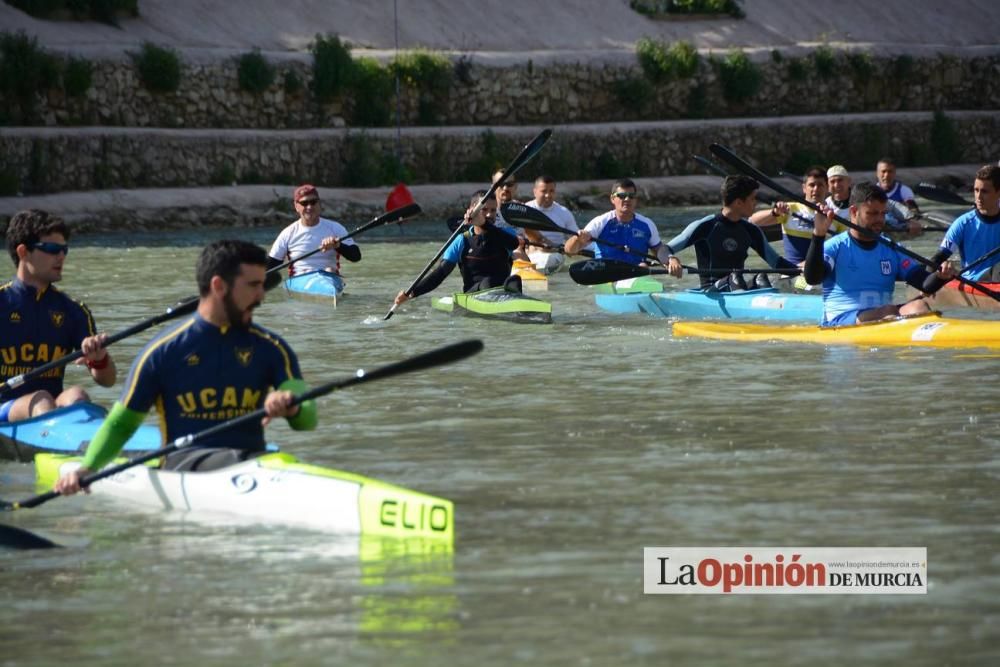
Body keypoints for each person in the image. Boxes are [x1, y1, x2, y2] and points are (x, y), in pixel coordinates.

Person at [54, 240, 317, 493]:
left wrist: (292, 406)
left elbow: (308, 420)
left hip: (253, 464)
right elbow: (121, 425)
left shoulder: (273, 348)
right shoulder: (162, 353)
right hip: (183, 466)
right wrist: (87, 469)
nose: (261, 296)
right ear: (219, 286)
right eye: (253, 286)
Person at [1, 209, 116, 423]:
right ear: (23, 252)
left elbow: (107, 381)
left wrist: (99, 359)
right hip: (5, 405)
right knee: (41, 399)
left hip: (49, 406)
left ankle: (88, 445)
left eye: (64, 250)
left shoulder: (74, 311)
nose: (61, 256)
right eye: (52, 249)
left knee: (78, 396)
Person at [803, 182, 954, 326]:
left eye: (883, 214)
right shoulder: (835, 247)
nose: (880, 220)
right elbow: (812, 278)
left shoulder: (891, 248)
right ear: (854, 212)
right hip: (841, 320)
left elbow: (924, 284)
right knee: (888, 311)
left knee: (919, 306)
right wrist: (818, 235)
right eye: (873, 214)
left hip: (886, 316)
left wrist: (940, 277)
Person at [665, 175, 798, 289]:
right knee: (735, 278)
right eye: (753, 198)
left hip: (736, 286)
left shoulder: (751, 230)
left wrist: (804, 271)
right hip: (711, 290)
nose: (755, 203)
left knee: (761, 278)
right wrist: (672, 259)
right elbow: (665, 249)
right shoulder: (706, 226)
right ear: (739, 202)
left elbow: (776, 263)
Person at [393, 191, 521, 308]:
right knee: (489, 282)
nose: (489, 214)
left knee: (515, 280)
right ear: (472, 210)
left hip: (503, 291)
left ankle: (517, 302)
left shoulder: (506, 234)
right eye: (485, 210)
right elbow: (440, 274)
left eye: (493, 211)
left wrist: (484, 224)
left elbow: (514, 244)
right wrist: (413, 293)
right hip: (473, 295)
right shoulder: (461, 240)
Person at [266, 184, 361, 286]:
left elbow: (356, 256)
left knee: (329, 270)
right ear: (296, 206)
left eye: (313, 202)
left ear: (319, 204)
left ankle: (329, 292)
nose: (309, 207)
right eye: (304, 203)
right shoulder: (288, 233)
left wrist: (338, 246)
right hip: (300, 281)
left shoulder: (335, 228)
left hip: (330, 279)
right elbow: (271, 266)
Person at [749, 166, 845, 265]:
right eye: (812, 185)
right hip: (793, 272)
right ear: (804, 188)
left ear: (827, 188)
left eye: (820, 185)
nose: (816, 189)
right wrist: (774, 212)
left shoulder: (835, 216)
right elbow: (752, 221)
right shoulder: (789, 209)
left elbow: (844, 250)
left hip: (821, 272)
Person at [923, 163, 1000, 286]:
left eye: (984, 191)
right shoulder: (962, 223)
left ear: (998, 193)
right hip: (973, 282)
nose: (978, 197)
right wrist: (926, 283)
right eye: (976, 190)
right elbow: (938, 258)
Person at [565, 179, 669, 267]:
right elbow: (569, 251)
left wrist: (670, 260)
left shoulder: (647, 224)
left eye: (631, 196)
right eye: (622, 195)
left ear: (635, 200)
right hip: (607, 274)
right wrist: (577, 239)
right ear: (612, 199)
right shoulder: (601, 222)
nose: (627, 199)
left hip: (637, 273)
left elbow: (658, 249)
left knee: (643, 266)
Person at [524, 175, 582, 272]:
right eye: (544, 191)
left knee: (550, 260)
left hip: (555, 255)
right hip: (532, 254)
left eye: (551, 191)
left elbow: (576, 238)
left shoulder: (564, 213)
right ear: (535, 192)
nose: (548, 195)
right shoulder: (525, 210)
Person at [875, 157, 923, 236]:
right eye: (883, 172)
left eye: (890, 171)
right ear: (877, 173)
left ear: (895, 173)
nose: (886, 175)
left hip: (899, 229)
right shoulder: (871, 192)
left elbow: (913, 209)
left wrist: (913, 221)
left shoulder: (904, 190)